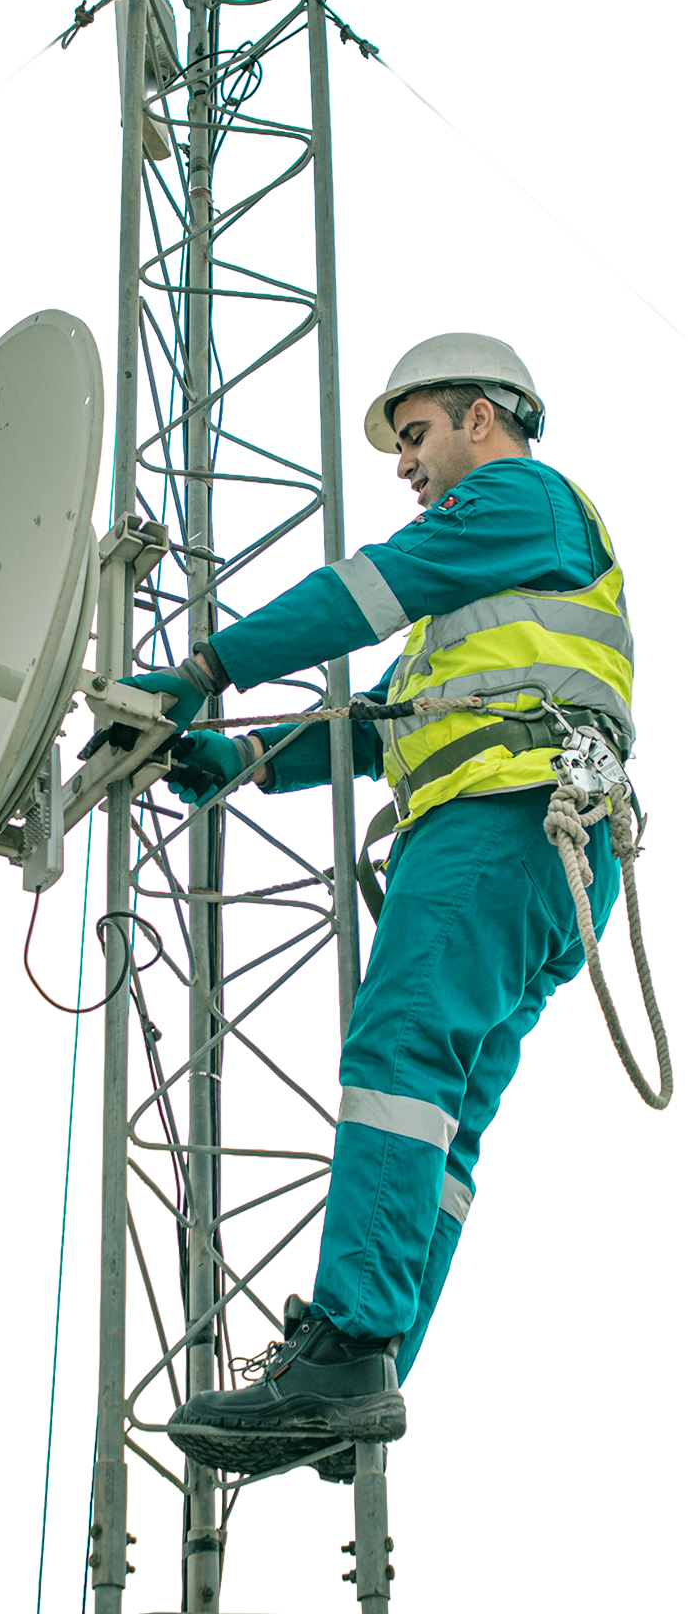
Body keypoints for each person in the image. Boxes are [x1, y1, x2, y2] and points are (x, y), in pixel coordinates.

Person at [127, 333, 634, 1478]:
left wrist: (205, 669)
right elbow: (374, 727)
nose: (404, 463)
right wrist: (243, 759)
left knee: (399, 1051)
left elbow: (366, 591)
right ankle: (368, 1378)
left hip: (499, 826)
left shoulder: (517, 499)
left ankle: (348, 1350)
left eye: (415, 434)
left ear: (482, 417)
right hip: (546, 853)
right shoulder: (493, 590)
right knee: (441, 1120)